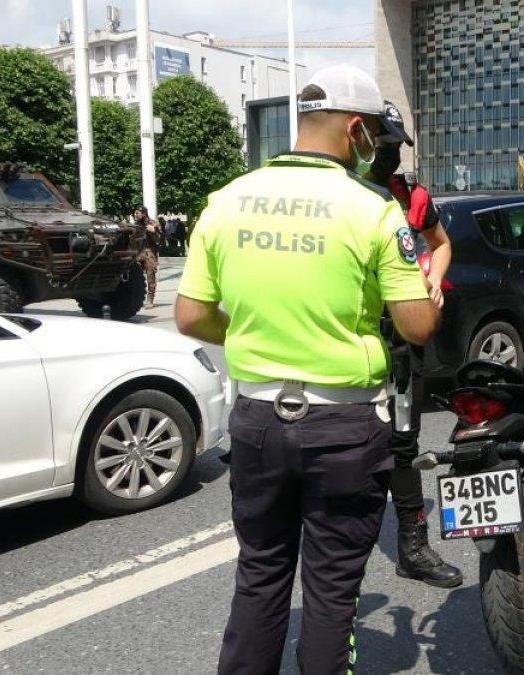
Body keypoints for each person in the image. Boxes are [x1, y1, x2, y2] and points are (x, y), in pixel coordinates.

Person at [175, 64, 440, 674]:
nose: (376, 146)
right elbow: (417, 327)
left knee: (260, 576)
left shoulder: (226, 202)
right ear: (355, 129)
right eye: (373, 132)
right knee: (331, 594)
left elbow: (189, 316)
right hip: (345, 426)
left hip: (259, 421)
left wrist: (251, 331)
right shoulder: (374, 210)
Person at [364, 99, 462, 588]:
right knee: (350, 448)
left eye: (395, 147)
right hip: (349, 345)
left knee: (403, 444)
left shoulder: (412, 197)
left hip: (402, 345)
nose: (389, 157)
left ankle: (412, 545)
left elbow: (442, 244)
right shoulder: (336, 195)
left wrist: (431, 285)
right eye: (381, 144)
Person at [133, 205, 160, 309]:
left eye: (137, 213)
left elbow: (159, 240)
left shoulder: (153, 224)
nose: (135, 215)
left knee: (150, 275)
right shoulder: (135, 225)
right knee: (133, 275)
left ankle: (150, 299)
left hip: (149, 253)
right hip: (138, 253)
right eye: (135, 213)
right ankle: (135, 298)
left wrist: (153, 232)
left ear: (143, 213)